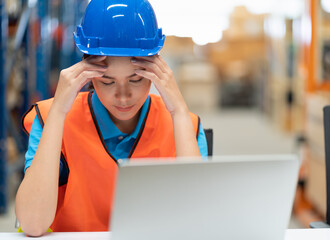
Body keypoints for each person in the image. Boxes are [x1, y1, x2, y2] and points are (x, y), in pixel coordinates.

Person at [15, 0, 208, 236]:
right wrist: (58, 112)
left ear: (157, 72)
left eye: (136, 80)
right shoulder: (49, 119)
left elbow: (200, 222)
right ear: (88, 75)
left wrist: (178, 110)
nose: (123, 96)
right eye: (107, 82)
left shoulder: (186, 124)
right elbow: (33, 224)